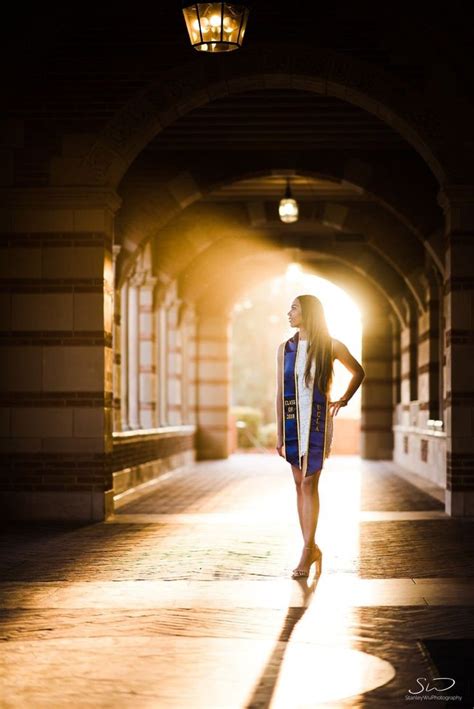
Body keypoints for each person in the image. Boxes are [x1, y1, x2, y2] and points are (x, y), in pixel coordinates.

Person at [275, 294, 365, 579]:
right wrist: (279, 433)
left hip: (316, 421)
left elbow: (358, 372)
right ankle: (311, 547)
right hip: (292, 424)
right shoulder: (284, 349)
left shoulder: (331, 346)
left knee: (310, 482)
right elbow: (280, 392)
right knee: (299, 484)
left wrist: (344, 399)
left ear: (309, 313)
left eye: (294, 309)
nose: (289, 313)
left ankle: (306, 549)